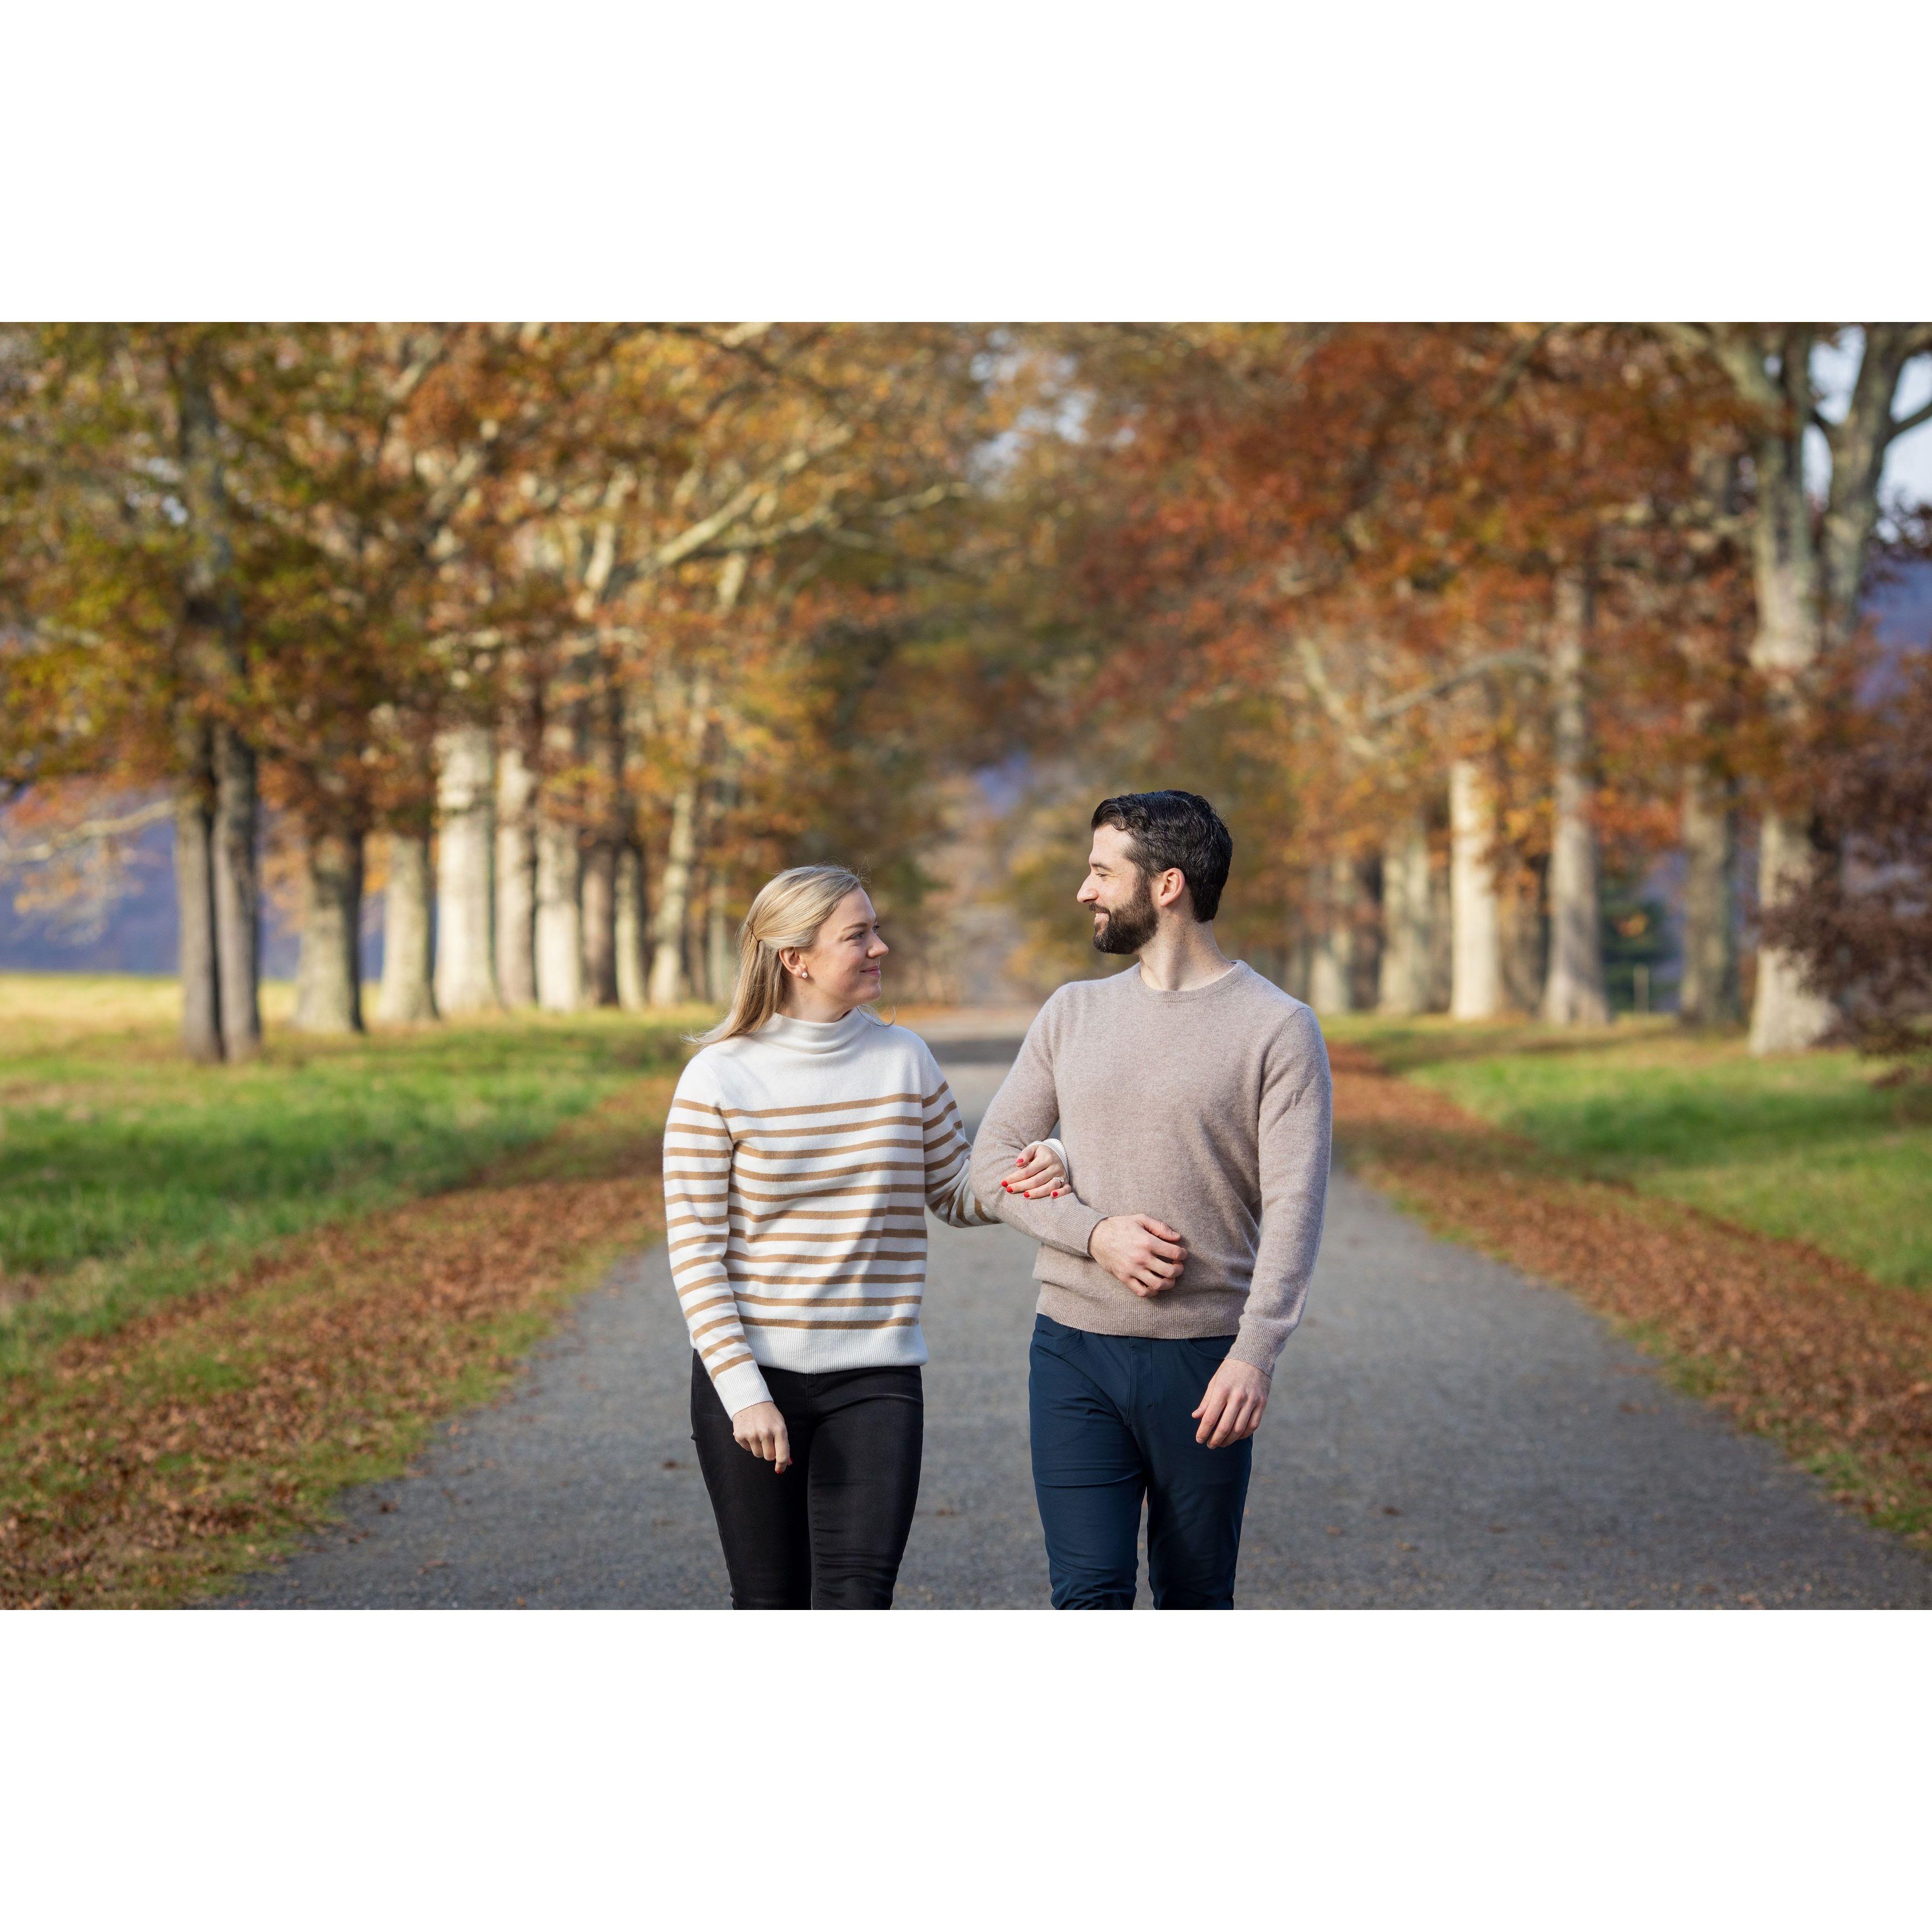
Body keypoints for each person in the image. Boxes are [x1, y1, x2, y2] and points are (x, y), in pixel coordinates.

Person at [662, 863, 1078, 1609]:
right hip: (752, 1383)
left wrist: (1040, 1165)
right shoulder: (716, 1079)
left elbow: (955, 1192)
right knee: (770, 1603)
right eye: (859, 935)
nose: (880, 947)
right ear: (797, 959)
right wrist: (744, 1394)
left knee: (861, 1603)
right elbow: (696, 1252)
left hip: (876, 1380)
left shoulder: (903, 1059)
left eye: (876, 929)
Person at [971, 790, 1333, 1609]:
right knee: (1088, 1594)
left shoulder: (1278, 1028)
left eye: (1102, 871)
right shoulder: (1072, 1012)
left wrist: (1256, 1353)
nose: (1085, 890)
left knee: (1195, 1598)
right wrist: (1093, 1235)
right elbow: (986, 1165)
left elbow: (1297, 1206)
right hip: (1071, 1352)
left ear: (1167, 885)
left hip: (1204, 1362)